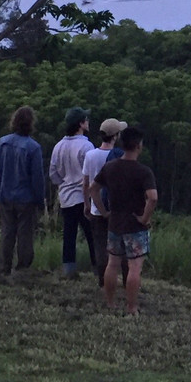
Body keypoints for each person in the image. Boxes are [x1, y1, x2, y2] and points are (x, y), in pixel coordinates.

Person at [88, 126, 156, 315]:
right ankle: (131, 306)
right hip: (135, 225)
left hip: (115, 222)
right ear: (138, 146)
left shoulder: (110, 167)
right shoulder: (143, 172)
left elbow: (93, 189)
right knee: (134, 267)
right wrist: (145, 218)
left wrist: (103, 211)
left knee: (113, 264)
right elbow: (153, 197)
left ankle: (110, 302)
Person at [0, 105, 45, 275]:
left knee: (7, 233)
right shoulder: (33, 147)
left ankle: (4, 268)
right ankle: (22, 268)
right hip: (25, 198)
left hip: (5, 195)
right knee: (25, 234)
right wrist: (40, 200)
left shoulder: (2, 143)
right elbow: (37, 178)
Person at [81, 117, 127, 287]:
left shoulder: (90, 155)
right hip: (116, 209)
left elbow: (86, 184)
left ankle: (103, 279)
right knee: (120, 247)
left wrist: (87, 204)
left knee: (100, 246)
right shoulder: (119, 156)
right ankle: (124, 280)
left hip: (96, 207)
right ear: (115, 136)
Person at [48, 106, 92, 278]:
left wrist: (64, 184)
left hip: (66, 196)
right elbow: (90, 173)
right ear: (80, 124)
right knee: (91, 235)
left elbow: (53, 173)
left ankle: (69, 270)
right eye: (86, 120)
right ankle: (98, 267)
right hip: (83, 196)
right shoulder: (86, 145)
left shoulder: (58, 146)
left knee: (69, 234)